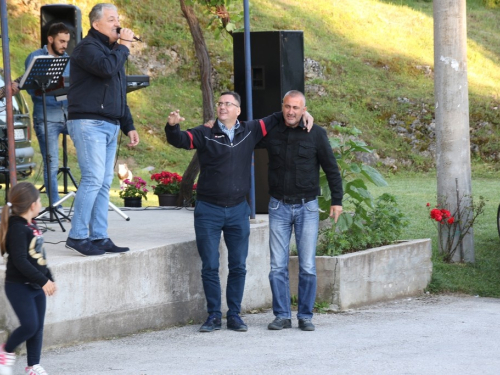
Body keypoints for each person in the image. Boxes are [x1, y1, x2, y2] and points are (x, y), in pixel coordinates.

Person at [166, 91, 312, 333]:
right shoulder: (205, 133)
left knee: (238, 266)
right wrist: (172, 127)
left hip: (237, 211)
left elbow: (282, 115)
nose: (222, 107)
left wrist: (305, 112)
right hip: (208, 210)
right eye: (220, 103)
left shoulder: (251, 130)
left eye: (228, 104)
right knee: (210, 265)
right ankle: (213, 315)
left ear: (238, 110)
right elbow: (181, 140)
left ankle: (234, 314)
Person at [258, 90, 343, 332]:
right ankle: (282, 315)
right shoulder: (272, 132)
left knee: (307, 265)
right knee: (277, 266)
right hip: (278, 206)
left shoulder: (316, 134)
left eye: (296, 108)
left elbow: (332, 168)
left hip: (307, 207)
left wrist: (336, 200)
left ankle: (305, 316)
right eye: (287, 107)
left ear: (304, 110)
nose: (291, 111)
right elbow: (248, 135)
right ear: (282, 107)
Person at [65, 3, 139, 256]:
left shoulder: (112, 51)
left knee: (105, 182)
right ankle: (77, 236)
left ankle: (99, 236)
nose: (117, 23)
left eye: (118, 18)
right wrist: (124, 47)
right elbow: (106, 69)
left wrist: (128, 126)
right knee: (94, 178)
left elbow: (120, 92)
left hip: (110, 124)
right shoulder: (87, 49)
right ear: (96, 24)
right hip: (88, 122)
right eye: (111, 19)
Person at [0, 182, 57, 375]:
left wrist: (49, 277)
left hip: (35, 285)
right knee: (30, 325)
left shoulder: (31, 225)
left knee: (37, 327)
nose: (41, 203)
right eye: (39, 200)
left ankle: (33, 365)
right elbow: (20, 261)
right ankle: (5, 351)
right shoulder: (17, 229)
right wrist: (43, 281)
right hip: (18, 287)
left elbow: (40, 256)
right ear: (33, 205)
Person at [24, 22, 71, 206]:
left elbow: (71, 85)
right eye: (61, 41)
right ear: (50, 39)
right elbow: (31, 89)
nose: (64, 45)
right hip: (46, 115)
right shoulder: (36, 57)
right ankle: (55, 205)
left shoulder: (68, 58)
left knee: (88, 150)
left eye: (66, 41)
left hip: (68, 114)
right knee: (51, 163)